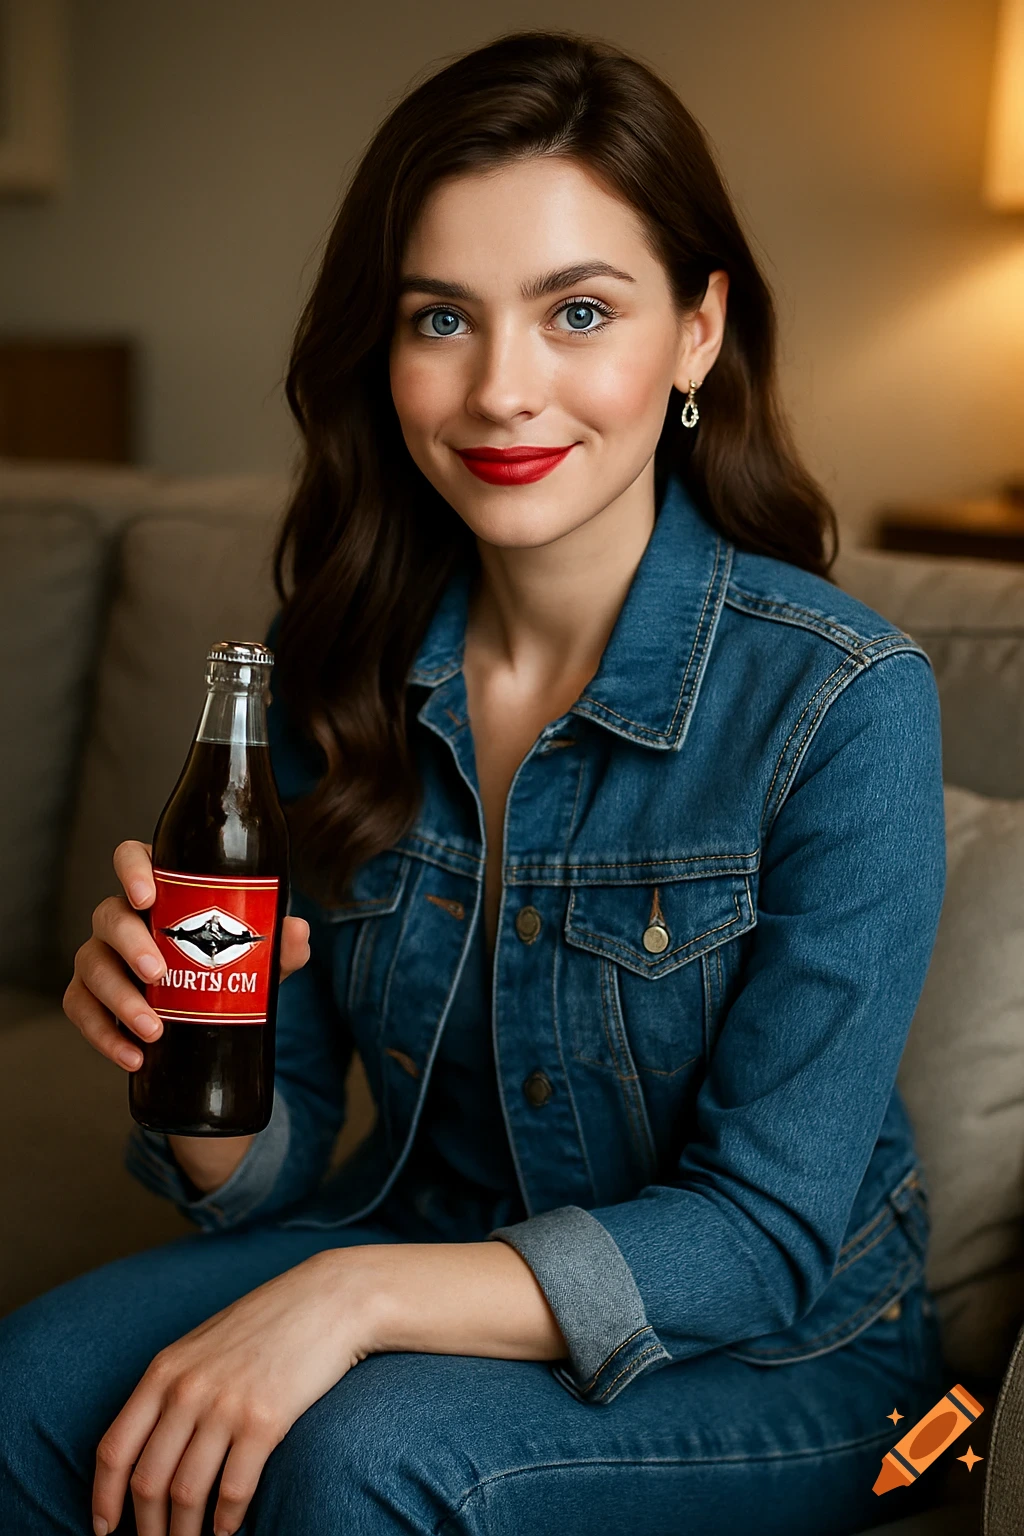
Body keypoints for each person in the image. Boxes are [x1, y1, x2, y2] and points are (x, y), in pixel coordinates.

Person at [0, 27, 951, 1536]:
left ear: (699, 332)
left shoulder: (842, 703)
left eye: (579, 310)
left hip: (796, 1349)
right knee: (30, 1387)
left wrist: (352, 1294)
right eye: (443, 318)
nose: (504, 389)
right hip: (433, 1236)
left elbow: (764, 1237)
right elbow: (277, 1152)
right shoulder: (335, 672)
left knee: (365, 1452)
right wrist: (188, 1061)